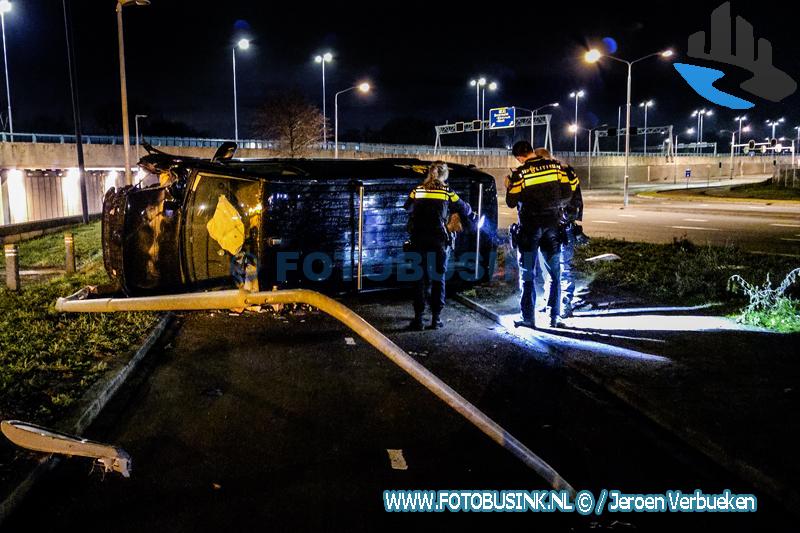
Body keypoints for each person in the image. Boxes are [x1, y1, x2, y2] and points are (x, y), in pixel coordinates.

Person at [404, 161, 475, 331]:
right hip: (438, 241)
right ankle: (436, 319)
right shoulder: (447, 192)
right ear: (445, 175)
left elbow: (407, 207)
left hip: (418, 239)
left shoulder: (417, 190)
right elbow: (464, 209)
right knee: (438, 278)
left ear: (429, 173)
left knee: (419, 278)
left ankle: (419, 319)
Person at [506, 141, 563, 328]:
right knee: (555, 273)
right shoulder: (555, 167)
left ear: (519, 157)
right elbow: (567, 191)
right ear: (531, 151)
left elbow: (511, 202)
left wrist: (509, 185)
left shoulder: (520, 173)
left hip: (530, 230)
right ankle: (554, 315)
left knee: (528, 273)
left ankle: (528, 317)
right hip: (552, 228)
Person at [534, 148, 584, 318]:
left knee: (563, 266)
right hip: (548, 227)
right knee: (547, 268)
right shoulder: (551, 173)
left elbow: (571, 198)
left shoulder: (565, 172)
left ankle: (564, 303)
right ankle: (550, 301)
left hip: (563, 226)